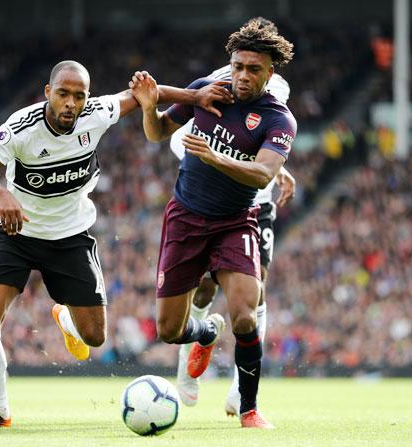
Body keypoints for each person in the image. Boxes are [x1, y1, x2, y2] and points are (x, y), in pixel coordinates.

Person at [0, 60, 231, 428]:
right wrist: (0, 192)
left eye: (79, 95)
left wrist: (194, 95)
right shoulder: (22, 127)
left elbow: (143, 93)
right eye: (63, 94)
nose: (71, 103)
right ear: (47, 94)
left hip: (71, 238)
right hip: (17, 232)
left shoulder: (97, 113)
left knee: (95, 337)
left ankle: (66, 317)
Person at [131, 20, 296, 429]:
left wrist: (213, 157)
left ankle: (250, 409)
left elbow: (262, 175)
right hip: (185, 219)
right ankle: (205, 332)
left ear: (269, 74)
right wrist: (150, 107)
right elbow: (156, 134)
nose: (242, 76)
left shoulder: (279, 120)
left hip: (235, 222)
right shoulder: (207, 89)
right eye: (237, 65)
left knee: (246, 313)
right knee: (169, 330)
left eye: (253, 69)